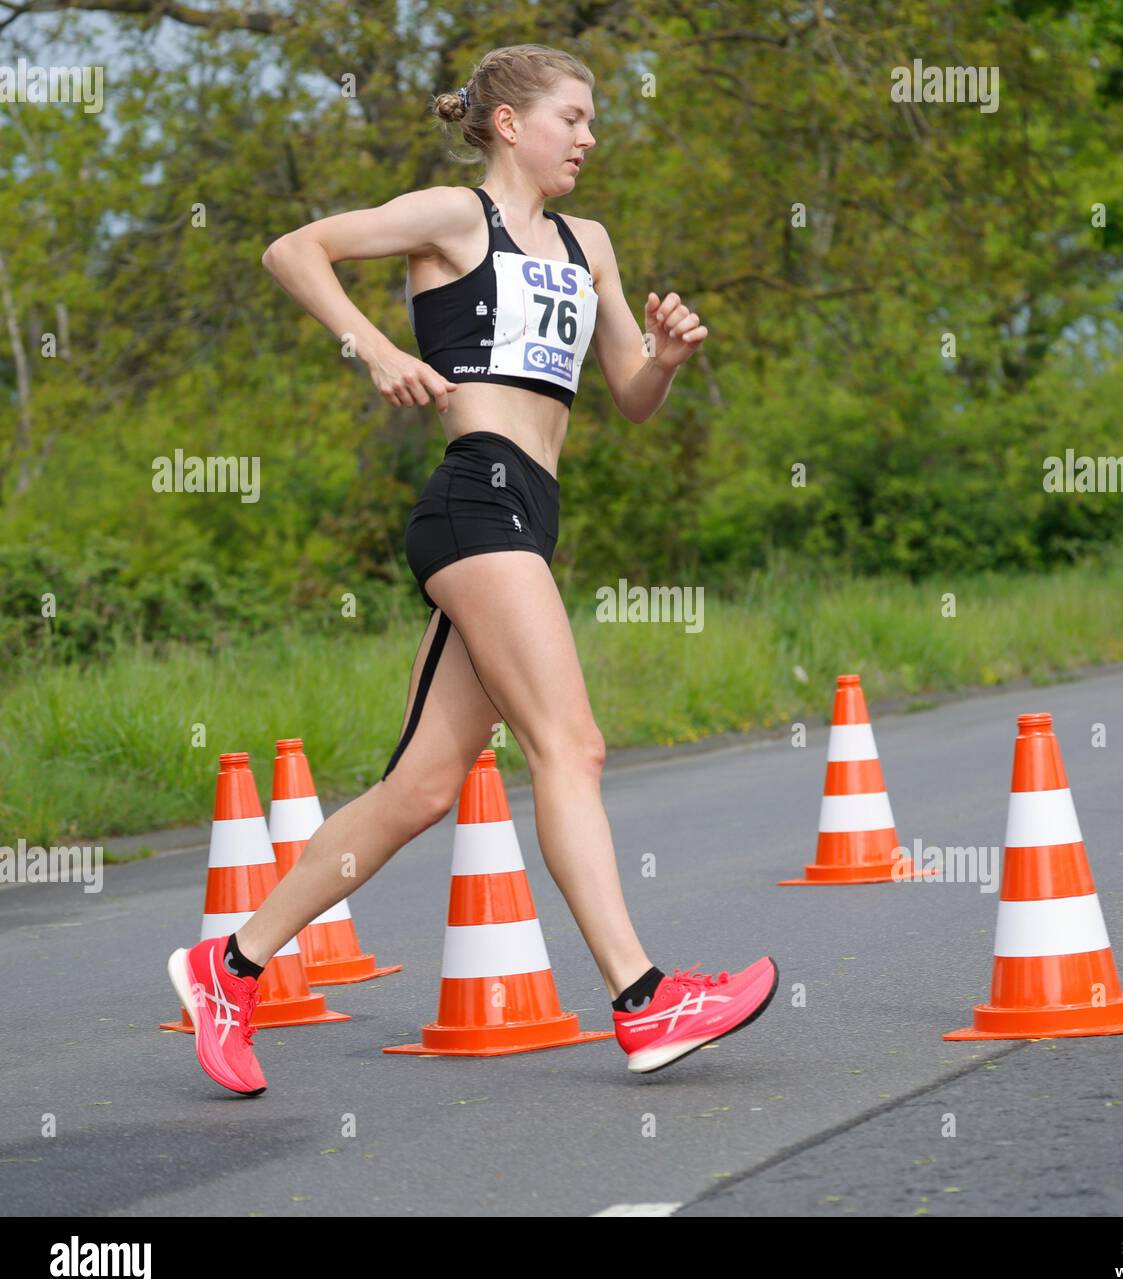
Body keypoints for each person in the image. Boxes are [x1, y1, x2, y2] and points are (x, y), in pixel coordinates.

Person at [167, 43, 777, 1096]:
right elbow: (290, 250)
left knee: (419, 789)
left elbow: (626, 393)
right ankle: (643, 1000)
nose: (589, 138)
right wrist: (376, 349)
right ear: (509, 125)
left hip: (528, 510)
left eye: (592, 122)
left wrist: (668, 361)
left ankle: (226, 965)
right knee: (570, 746)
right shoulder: (456, 217)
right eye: (573, 119)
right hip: (475, 493)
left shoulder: (591, 244)